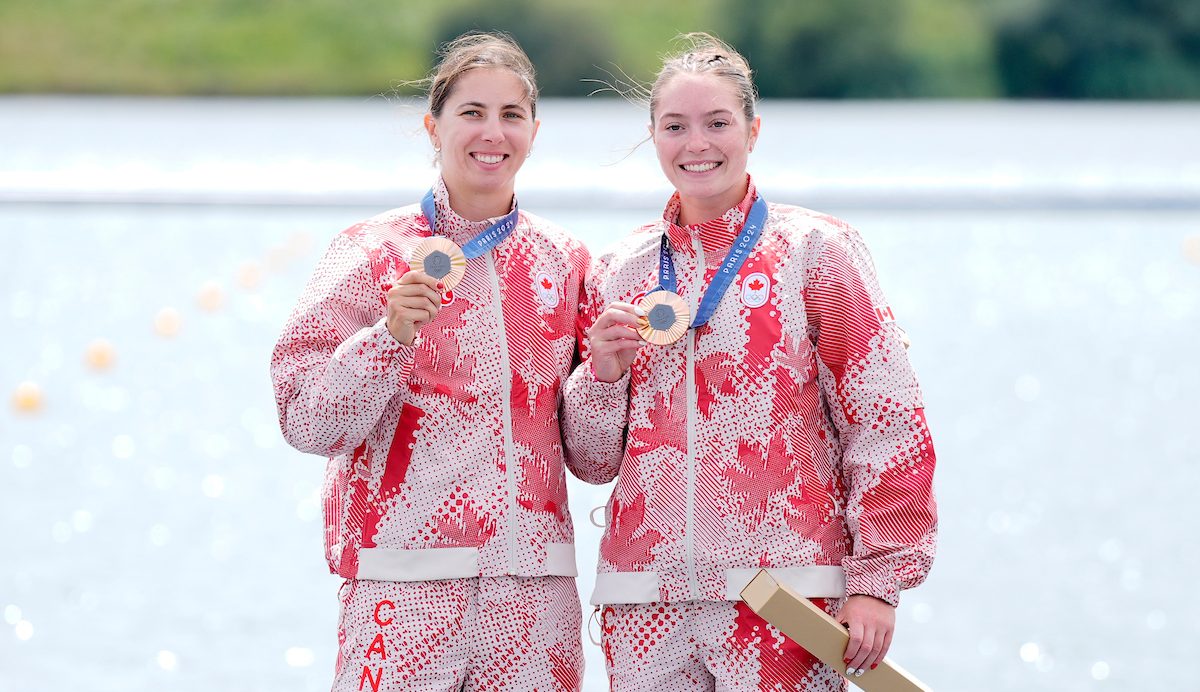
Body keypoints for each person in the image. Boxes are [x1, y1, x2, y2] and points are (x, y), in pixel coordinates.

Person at [563, 33, 937, 691]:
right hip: (645, 598)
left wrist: (877, 580)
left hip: (787, 596)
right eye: (675, 126)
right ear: (653, 136)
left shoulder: (816, 254)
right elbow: (593, 462)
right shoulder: (621, 270)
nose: (696, 143)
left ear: (753, 130)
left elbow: (887, 424)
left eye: (717, 123)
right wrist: (601, 375)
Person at [271, 32, 587, 692]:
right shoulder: (368, 252)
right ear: (432, 125)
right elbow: (306, 423)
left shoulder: (567, 262)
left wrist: (609, 372)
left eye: (510, 114)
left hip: (534, 592)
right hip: (402, 585)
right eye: (471, 112)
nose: (491, 133)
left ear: (534, 129)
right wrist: (388, 337)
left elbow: (593, 454)